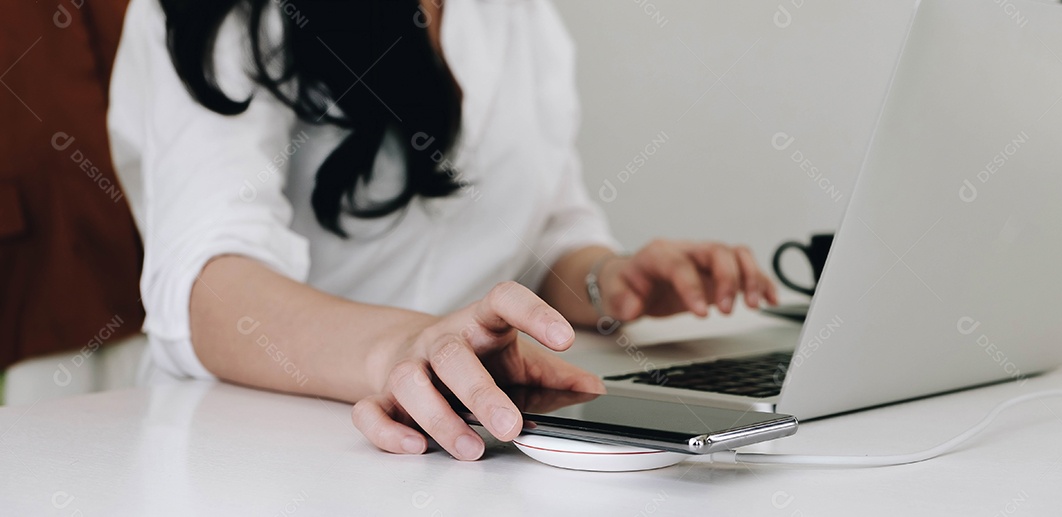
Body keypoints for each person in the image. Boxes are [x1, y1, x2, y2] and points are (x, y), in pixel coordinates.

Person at [108, 0, 779, 461]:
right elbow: (204, 285)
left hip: (479, 434)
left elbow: (539, 237)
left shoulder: (517, 13)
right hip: (258, 448)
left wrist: (609, 279)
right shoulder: (223, 16)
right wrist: (399, 347)